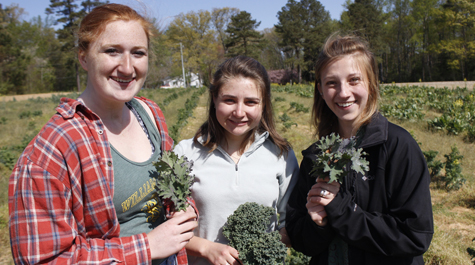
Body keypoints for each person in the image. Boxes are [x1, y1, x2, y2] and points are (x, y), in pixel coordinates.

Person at [9, 4, 197, 265]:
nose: (128, 68)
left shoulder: (150, 114)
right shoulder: (52, 152)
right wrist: (148, 246)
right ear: (84, 58)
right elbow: (44, 259)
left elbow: (171, 190)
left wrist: (184, 208)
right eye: (112, 51)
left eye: (138, 53)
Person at [285, 34, 434, 265]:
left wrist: (342, 211)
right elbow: (302, 242)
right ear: (321, 90)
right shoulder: (316, 156)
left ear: (371, 83)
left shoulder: (398, 146)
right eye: (332, 83)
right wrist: (317, 224)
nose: (343, 93)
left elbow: (414, 236)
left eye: (354, 80)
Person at [173, 56, 299, 265]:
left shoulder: (282, 155)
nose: (239, 112)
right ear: (214, 99)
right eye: (229, 100)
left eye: (250, 102)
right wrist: (206, 248)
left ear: (264, 104)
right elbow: (166, 228)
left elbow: (289, 227)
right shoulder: (185, 153)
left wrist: (256, 251)